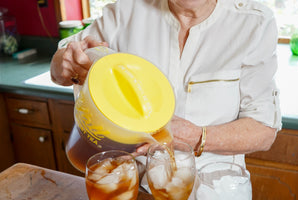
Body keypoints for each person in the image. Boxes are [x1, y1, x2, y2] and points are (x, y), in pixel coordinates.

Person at [51, 0, 282, 198]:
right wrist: (65, 64)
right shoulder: (126, 11)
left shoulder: (255, 23)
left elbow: (263, 132)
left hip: (219, 190)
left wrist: (198, 137)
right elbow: (61, 62)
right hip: (136, 188)